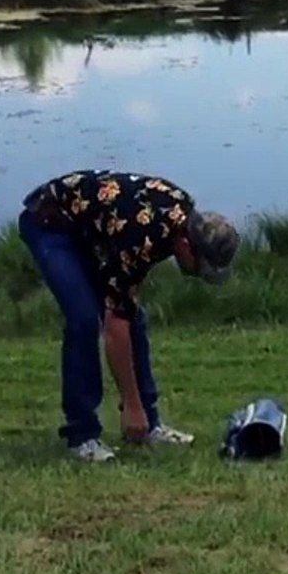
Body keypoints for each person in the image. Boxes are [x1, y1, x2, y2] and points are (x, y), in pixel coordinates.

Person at [17, 170, 241, 463]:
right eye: (202, 265)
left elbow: (125, 298)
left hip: (94, 230)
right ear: (187, 245)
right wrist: (130, 403)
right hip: (51, 225)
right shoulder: (142, 236)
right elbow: (114, 329)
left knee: (133, 314)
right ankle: (82, 436)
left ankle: (149, 425)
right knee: (84, 319)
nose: (200, 273)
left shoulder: (179, 216)